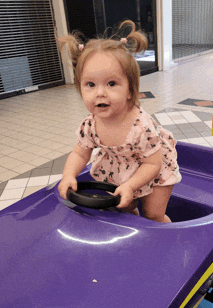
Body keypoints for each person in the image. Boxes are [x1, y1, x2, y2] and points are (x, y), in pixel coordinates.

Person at [58, 20, 181, 223]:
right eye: (90, 84)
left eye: (112, 83)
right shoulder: (90, 124)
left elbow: (153, 164)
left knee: (153, 214)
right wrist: (68, 175)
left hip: (154, 169)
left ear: (130, 90)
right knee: (123, 211)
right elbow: (80, 152)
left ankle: (167, 242)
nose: (100, 93)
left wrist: (132, 186)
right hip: (120, 170)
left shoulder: (141, 127)